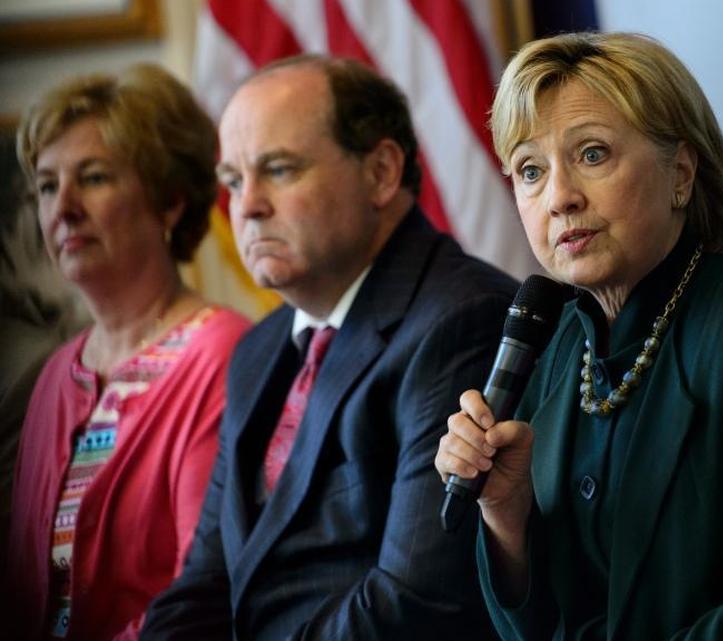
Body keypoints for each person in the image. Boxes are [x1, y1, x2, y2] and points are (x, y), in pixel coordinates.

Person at [434, 32, 723, 641]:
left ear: (680, 174)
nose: (560, 198)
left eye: (592, 154)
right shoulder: (554, 350)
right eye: (530, 170)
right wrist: (506, 512)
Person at [140, 55, 513, 641]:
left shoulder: (462, 320)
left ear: (381, 173)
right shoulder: (259, 349)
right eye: (234, 181)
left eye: (279, 170)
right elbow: (206, 584)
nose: (246, 206)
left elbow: (415, 604)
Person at [2, 64, 251, 640]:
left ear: (167, 202)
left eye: (91, 178)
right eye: (46, 186)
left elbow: (208, 592)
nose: (62, 208)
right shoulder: (55, 375)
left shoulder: (223, 354)